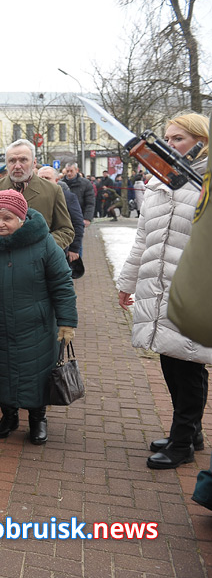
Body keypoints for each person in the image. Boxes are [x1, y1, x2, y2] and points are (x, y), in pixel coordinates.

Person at [117, 112, 211, 470]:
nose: (169, 146)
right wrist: (127, 283)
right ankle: (189, 431)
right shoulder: (158, 184)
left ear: (202, 143)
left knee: (187, 364)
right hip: (158, 287)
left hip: (193, 289)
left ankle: (183, 441)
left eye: (179, 139)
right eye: (167, 139)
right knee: (173, 362)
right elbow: (144, 238)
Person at [0, 189, 77, 445]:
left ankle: (37, 418)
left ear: (22, 219)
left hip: (37, 326)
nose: (0, 224)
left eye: (7, 218)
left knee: (38, 374)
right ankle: (8, 415)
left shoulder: (44, 244)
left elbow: (62, 283)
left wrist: (67, 322)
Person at [0, 140, 74, 250]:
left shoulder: (52, 190)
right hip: (1, 262)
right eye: (12, 161)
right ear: (6, 164)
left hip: (39, 263)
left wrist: (44, 247)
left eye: (23, 160)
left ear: (34, 163)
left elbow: (66, 230)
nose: (17, 166)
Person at [37, 166, 84, 266]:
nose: (44, 181)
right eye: (41, 178)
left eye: (47, 178)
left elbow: (77, 223)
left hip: (59, 249)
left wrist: (74, 248)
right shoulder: (32, 196)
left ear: (56, 180)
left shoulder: (68, 197)